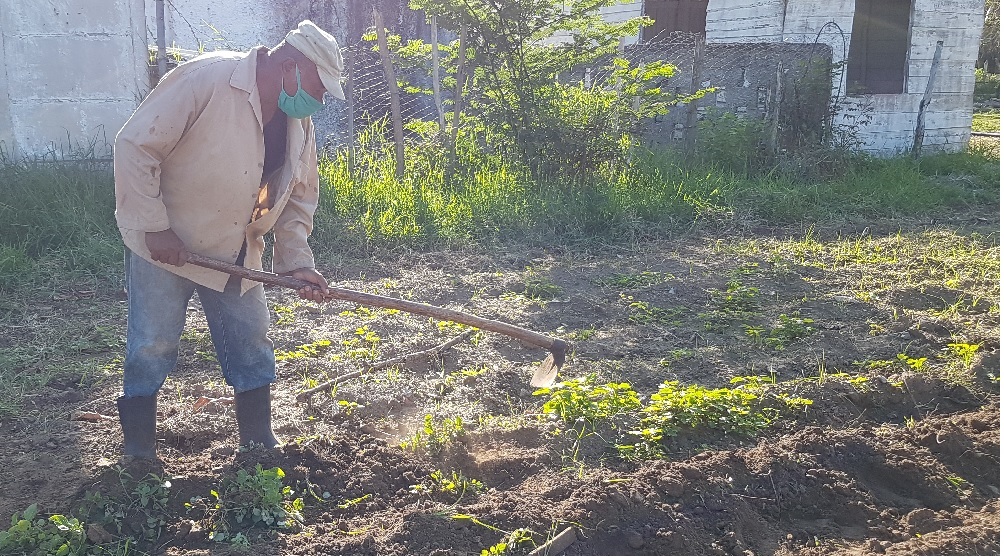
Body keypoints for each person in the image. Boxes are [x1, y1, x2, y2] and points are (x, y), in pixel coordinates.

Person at [112, 20, 343, 459]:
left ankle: (258, 443)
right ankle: (138, 452)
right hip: (168, 246)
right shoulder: (207, 79)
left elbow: (298, 196)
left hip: (236, 251)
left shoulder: (299, 123)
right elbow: (136, 145)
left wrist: (295, 261)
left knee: (251, 341)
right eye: (320, 84)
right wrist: (154, 225)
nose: (321, 97)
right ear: (290, 64)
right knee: (153, 342)